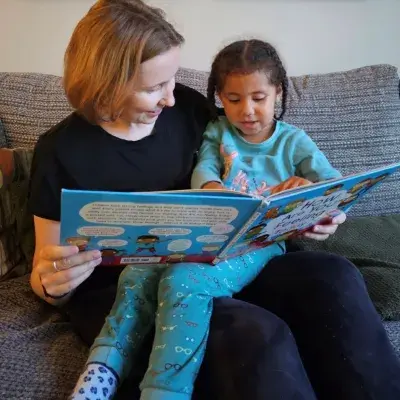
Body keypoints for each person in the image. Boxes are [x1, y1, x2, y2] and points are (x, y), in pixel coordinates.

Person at [28, 1, 400, 400]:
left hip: (226, 261)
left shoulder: (187, 108)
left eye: (172, 80)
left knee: (336, 278)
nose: (171, 99)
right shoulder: (58, 150)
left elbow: (247, 168)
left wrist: (310, 213)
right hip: (128, 289)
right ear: (105, 82)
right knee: (254, 335)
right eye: (154, 87)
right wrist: (54, 283)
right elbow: (45, 270)